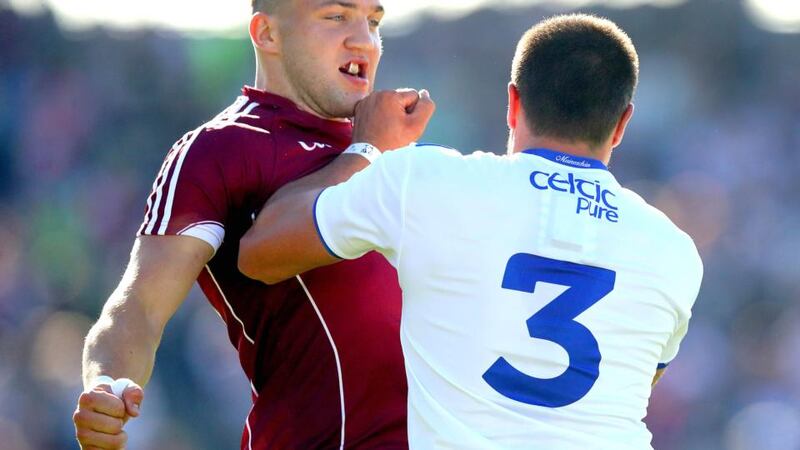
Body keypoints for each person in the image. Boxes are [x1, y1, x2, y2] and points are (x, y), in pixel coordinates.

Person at [238, 14, 703, 449]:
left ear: (512, 102)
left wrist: (367, 148)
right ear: (622, 124)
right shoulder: (675, 253)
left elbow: (260, 251)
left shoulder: (425, 182)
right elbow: (631, 377)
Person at [72, 1, 435, 449]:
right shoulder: (221, 150)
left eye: (374, 22)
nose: (364, 40)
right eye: (336, 17)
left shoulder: (395, 150)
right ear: (267, 34)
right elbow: (138, 308)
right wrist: (107, 384)